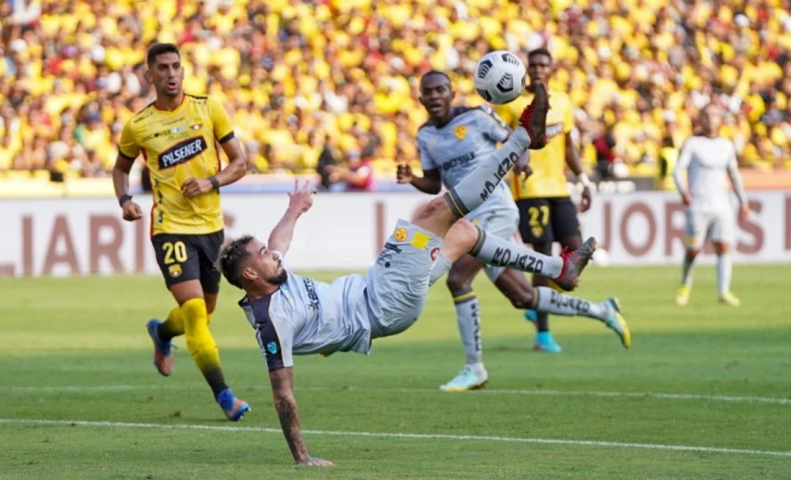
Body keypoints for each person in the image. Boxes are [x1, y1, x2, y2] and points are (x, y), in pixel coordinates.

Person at [217, 86, 630, 465]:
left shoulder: (273, 276)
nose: (273, 254)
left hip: (378, 290)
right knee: (436, 211)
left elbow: (279, 242)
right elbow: (283, 393)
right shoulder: (271, 320)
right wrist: (302, 456)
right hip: (381, 303)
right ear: (250, 273)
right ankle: (523, 137)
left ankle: (559, 269)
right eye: (263, 255)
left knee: (463, 233)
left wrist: (294, 210)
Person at [398, 71, 629, 392]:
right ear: (420, 98)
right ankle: (603, 310)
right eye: (429, 92)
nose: (435, 96)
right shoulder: (425, 136)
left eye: (440, 90)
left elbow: (517, 138)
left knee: (458, 279)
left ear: (452, 93)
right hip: (468, 220)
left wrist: (520, 162)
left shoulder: (478, 117)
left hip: (496, 211)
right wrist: (413, 179)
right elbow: (434, 182)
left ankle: (474, 367)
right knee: (523, 297)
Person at [111, 43, 250, 421]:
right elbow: (120, 168)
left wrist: (211, 182)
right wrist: (125, 199)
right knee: (194, 310)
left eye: (176, 66)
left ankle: (162, 333)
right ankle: (225, 396)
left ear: (183, 71)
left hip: (211, 229)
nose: (171, 73)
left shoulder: (209, 109)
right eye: (163, 68)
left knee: (203, 314)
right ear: (149, 75)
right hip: (169, 229)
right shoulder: (139, 125)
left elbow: (240, 163)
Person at [498, 48, 593, 354]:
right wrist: (515, 164)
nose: (539, 69)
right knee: (543, 254)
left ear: (551, 69)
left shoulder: (562, 101)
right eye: (534, 65)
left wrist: (584, 180)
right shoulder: (512, 102)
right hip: (530, 189)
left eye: (543, 65)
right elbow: (503, 143)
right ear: (527, 69)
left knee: (575, 250)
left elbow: (568, 146)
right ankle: (543, 334)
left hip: (559, 188)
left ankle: (537, 301)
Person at [673, 103, 749, 306]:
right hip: (698, 205)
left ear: (720, 120)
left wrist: (743, 201)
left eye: (714, 115)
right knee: (693, 249)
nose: (710, 119)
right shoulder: (693, 143)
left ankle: (723, 291)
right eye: (706, 115)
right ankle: (685, 286)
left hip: (722, 205)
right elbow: (678, 170)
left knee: (723, 246)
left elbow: (734, 175)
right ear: (700, 119)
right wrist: (683, 191)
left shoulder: (726, 145)